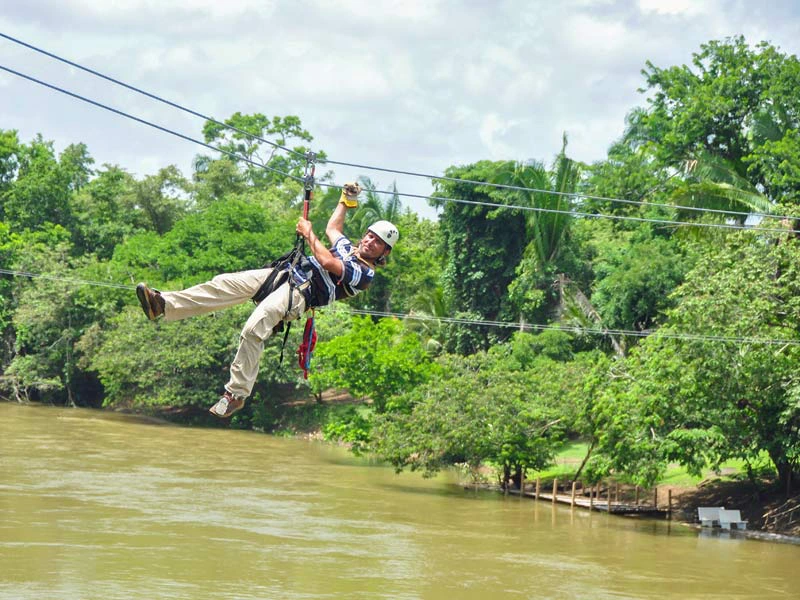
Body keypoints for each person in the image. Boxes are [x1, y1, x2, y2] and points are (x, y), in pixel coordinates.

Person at [135, 183, 398, 418]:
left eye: (378, 243)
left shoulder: (365, 274)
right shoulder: (347, 248)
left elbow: (327, 262)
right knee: (224, 282)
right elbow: (334, 228)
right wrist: (345, 200)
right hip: (285, 273)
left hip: (299, 294)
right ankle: (163, 305)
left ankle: (236, 395)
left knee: (253, 328)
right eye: (370, 236)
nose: (370, 242)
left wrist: (308, 233)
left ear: (384, 252)